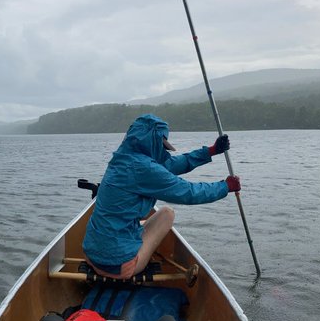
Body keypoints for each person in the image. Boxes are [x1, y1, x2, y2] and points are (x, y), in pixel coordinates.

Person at [82, 114, 240, 280]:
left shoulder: (122, 157)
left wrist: (211, 151)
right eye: (161, 144)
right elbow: (189, 192)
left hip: (90, 254)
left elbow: (169, 165)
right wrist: (225, 187)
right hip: (120, 266)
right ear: (153, 141)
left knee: (132, 221)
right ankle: (132, 259)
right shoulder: (143, 168)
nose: (163, 149)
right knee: (167, 213)